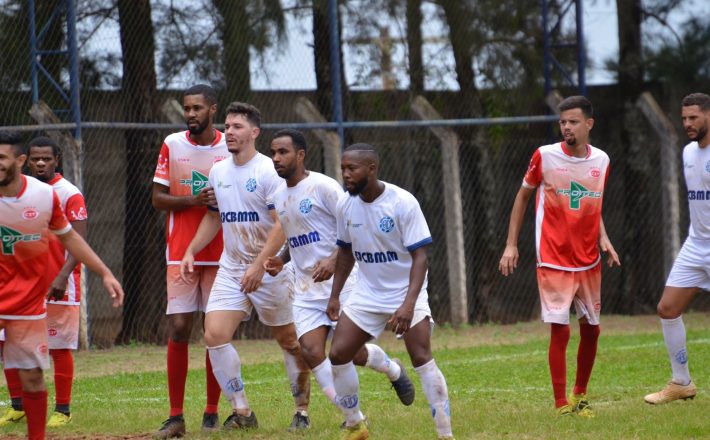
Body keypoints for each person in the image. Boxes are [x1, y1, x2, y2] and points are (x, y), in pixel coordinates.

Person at [265, 129, 416, 422]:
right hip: (306, 288)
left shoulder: (324, 187)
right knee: (309, 349)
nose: (276, 158)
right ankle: (353, 419)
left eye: (282, 152)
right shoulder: (278, 197)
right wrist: (280, 260)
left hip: (342, 284)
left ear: (300, 155)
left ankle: (391, 368)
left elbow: (352, 227)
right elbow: (296, 238)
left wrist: (334, 260)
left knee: (349, 353)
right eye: (272, 153)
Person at [180, 102, 311, 431]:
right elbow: (215, 218)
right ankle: (242, 412)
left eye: (237, 127)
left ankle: (302, 411)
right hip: (233, 267)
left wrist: (258, 266)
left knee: (290, 341)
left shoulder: (269, 171)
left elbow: (281, 225)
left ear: (254, 133)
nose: (229, 133)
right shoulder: (219, 171)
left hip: (271, 268)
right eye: (227, 126)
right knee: (214, 335)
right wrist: (191, 250)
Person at [498, 95, 620, 417]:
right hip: (552, 256)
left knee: (592, 329)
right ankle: (560, 403)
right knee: (561, 327)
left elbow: (592, 203)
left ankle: (580, 395)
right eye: (563, 122)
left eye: (573, 122)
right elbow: (523, 197)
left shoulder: (602, 161)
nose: (566, 127)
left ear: (589, 124)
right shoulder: (545, 157)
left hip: (588, 258)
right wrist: (511, 244)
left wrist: (604, 237)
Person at [0, 130, 123, 440]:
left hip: (27, 301)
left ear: (19, 160)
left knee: (33, 378)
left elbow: (71, 237)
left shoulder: (45, 196)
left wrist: (105, 272)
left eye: (1, 158)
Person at [327, 143, 454, 440]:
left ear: (372, 168)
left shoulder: (402, 202)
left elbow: (420, 257)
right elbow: (344, 254)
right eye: (343, 168)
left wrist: (408, 305)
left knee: (421, 355)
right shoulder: (345, 205)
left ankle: (445, 435)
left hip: (406, 291)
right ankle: (355, 425)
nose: (345, 174)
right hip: (367, 292)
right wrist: (335, 295)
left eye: (351, 168)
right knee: (338, 353)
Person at [151, 84, 227, 437]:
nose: (191, 114)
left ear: (213, 109)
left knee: (214, 332)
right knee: (180, 327)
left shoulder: (231, 145)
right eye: (187, 108)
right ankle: (176, 414)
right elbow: (158, 199)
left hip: (223, 253)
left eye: (198, 108)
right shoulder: (172, 144)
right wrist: (193, 201)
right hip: (181, 252)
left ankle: (212, 411)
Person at [0, 137, 88, 429]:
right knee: (8, 343)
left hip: (60, 283)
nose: (40, 163)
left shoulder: (68, 193)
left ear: (57, 160)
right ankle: (18, 406)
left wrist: (63, 275)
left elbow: (79, 238)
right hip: (20, 287)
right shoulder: (14, 192)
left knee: (58, 346)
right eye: (35, 158)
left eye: (46, 159)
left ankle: (63, 409)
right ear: (25, 160)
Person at [644, 92, 710, 404]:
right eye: (684, 118)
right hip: (695, 245)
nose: (687, 124)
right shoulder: (687, 153)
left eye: (694, 117)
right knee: (668, 309)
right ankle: (681, 382)